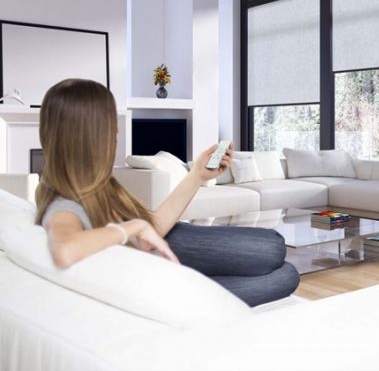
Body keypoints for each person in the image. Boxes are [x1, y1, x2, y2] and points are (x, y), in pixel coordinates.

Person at [36, 78, 299, 307]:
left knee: (277, 257)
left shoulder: (96, 185)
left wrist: (197, 174)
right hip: (154, 280)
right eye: (110, 127)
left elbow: (153, 228)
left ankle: (196, 282)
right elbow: (64, 250)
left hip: (160, 252)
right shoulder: (64, 203)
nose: (116, 133)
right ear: (90, 135)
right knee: (283, 269)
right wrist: (131, 228)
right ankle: (195, 288)